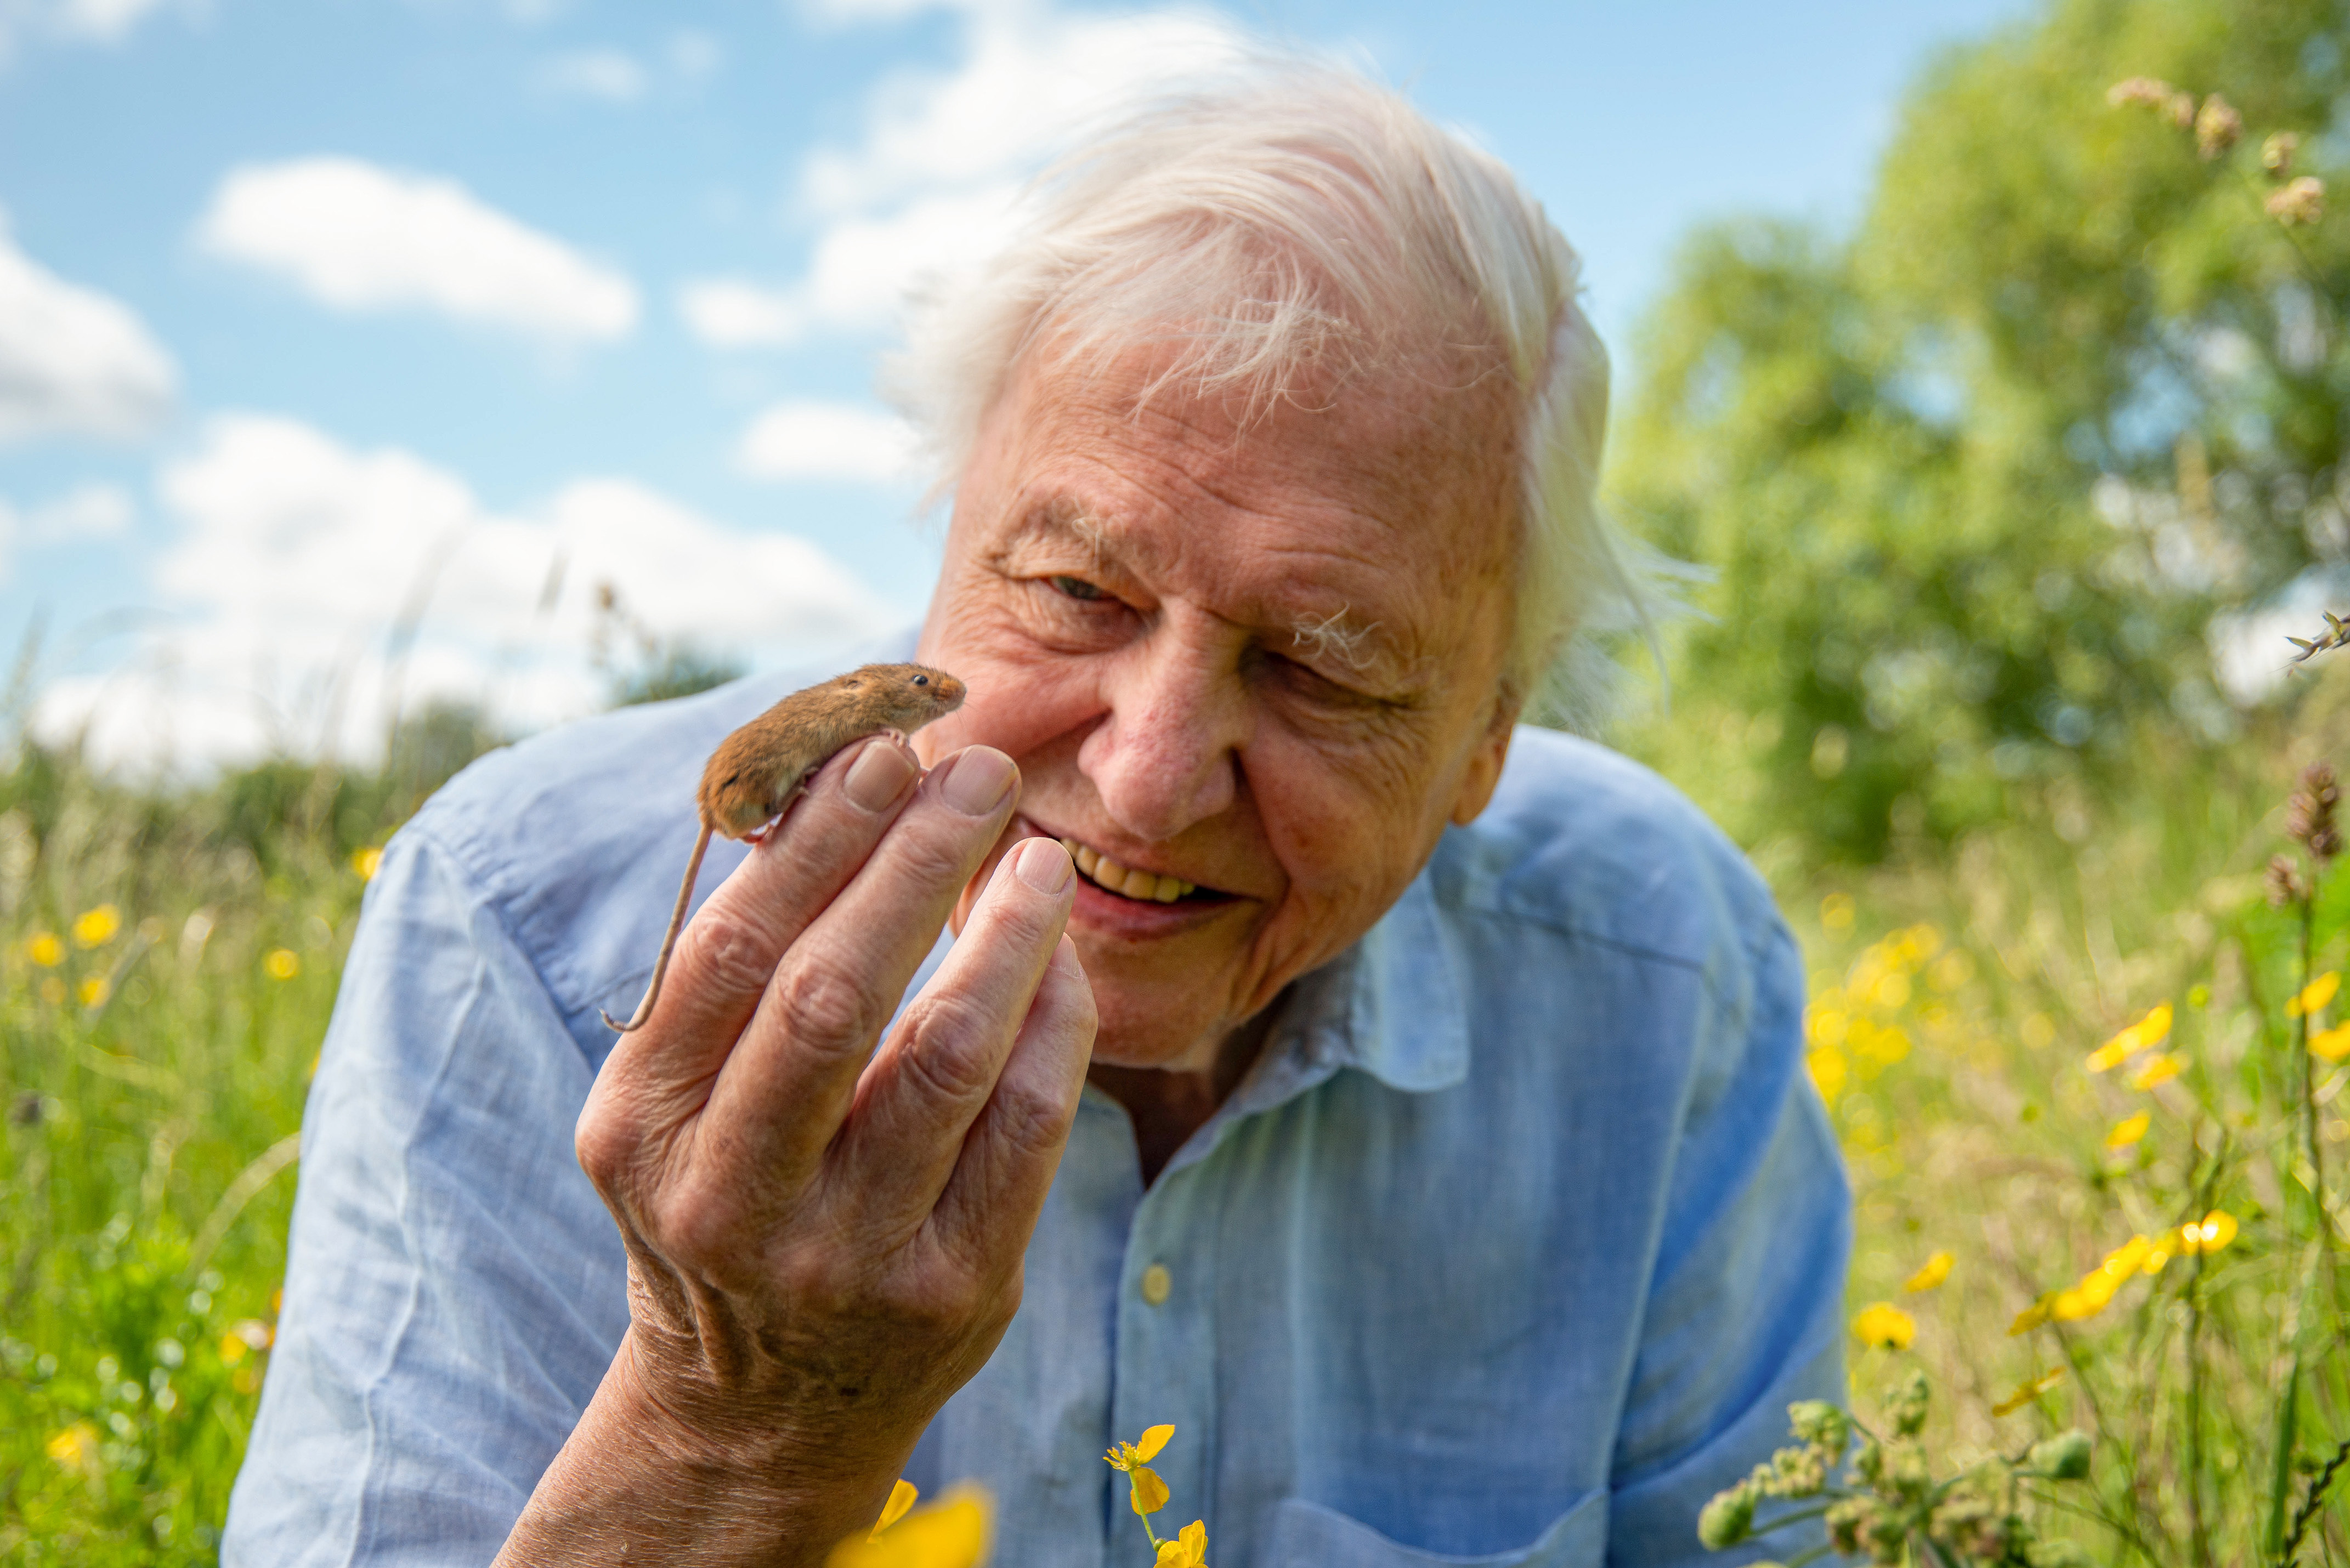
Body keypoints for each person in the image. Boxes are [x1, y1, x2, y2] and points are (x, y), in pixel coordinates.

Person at [225, 59, 1848, 1568]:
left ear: (1490, 735)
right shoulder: (522, 923)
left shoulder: (1656, 972)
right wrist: (734, 1433)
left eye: (1322, 669)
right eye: (1077, 590)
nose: (1146, 777)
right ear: (945, 537)